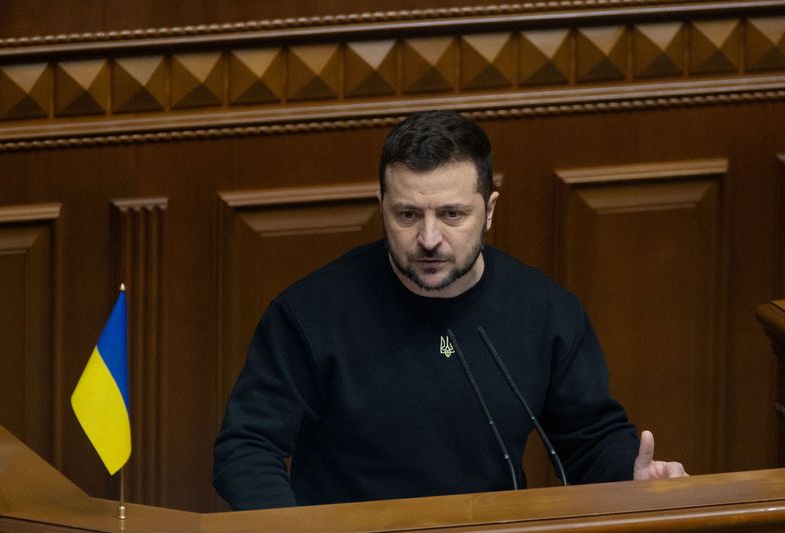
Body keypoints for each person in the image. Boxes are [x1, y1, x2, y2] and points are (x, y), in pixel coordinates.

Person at [213, 110, 687, 511]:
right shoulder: (310, 313)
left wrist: (629, 475)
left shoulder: (544, 312)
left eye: (452, 214)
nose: (429, 239)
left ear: (490, 210)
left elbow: (588, 439)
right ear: (381, 207)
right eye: (408, 215)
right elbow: (246, 448)